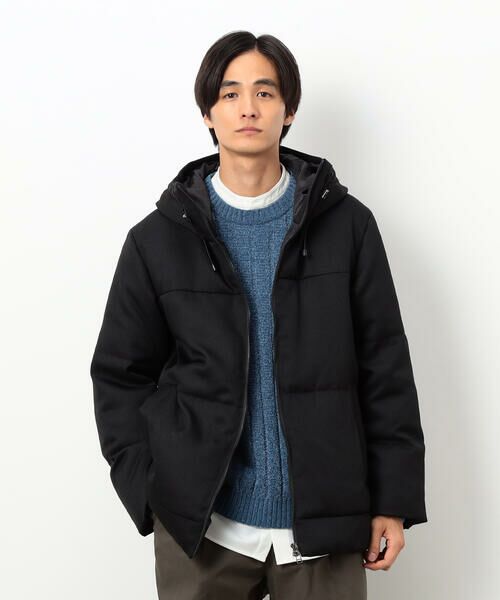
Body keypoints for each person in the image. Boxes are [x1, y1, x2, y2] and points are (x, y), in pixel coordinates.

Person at [90, 30, 427, 600]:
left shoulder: (349, 227)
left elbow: (385, 369)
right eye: (230, 94)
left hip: (323, 527)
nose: (248, 108)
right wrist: (154, 493)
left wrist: (392, 501)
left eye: (265, 93)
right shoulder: (157, 240)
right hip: (204, 533)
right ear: (208, 113)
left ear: (288, 110)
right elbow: (120, 375)